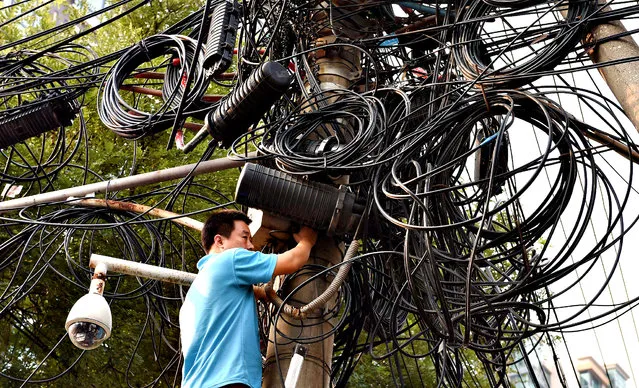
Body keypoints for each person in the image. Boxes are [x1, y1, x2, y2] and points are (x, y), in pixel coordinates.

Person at [179, 209, 318, 388]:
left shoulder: (198, 290)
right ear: (219, 241)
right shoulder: (230, 260)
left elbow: (243, 295)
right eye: (245, 238)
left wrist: (263, 293)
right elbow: (293, 261)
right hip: (227, 382)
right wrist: (307, 241)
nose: (251, 246)